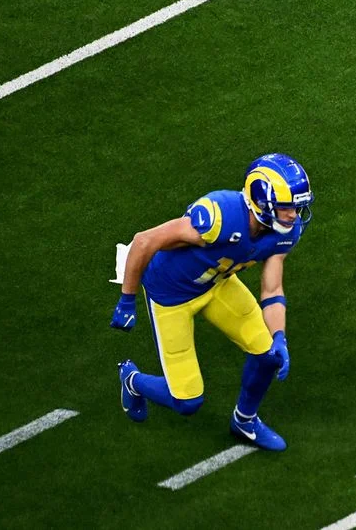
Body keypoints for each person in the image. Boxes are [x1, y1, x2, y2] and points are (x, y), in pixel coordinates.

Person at [113, 153, 310, 451]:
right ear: (261, 200)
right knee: (187, 401)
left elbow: (272, 288)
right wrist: (127, 299)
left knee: (269, 353)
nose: (294, 215)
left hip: (218, 284)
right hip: (171, 296)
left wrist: (280, 336)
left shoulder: (285, 233)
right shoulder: (220, 216)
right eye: (286, 207)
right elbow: (144, 241)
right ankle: (132, 380)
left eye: (296, 207)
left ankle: (245, 420)